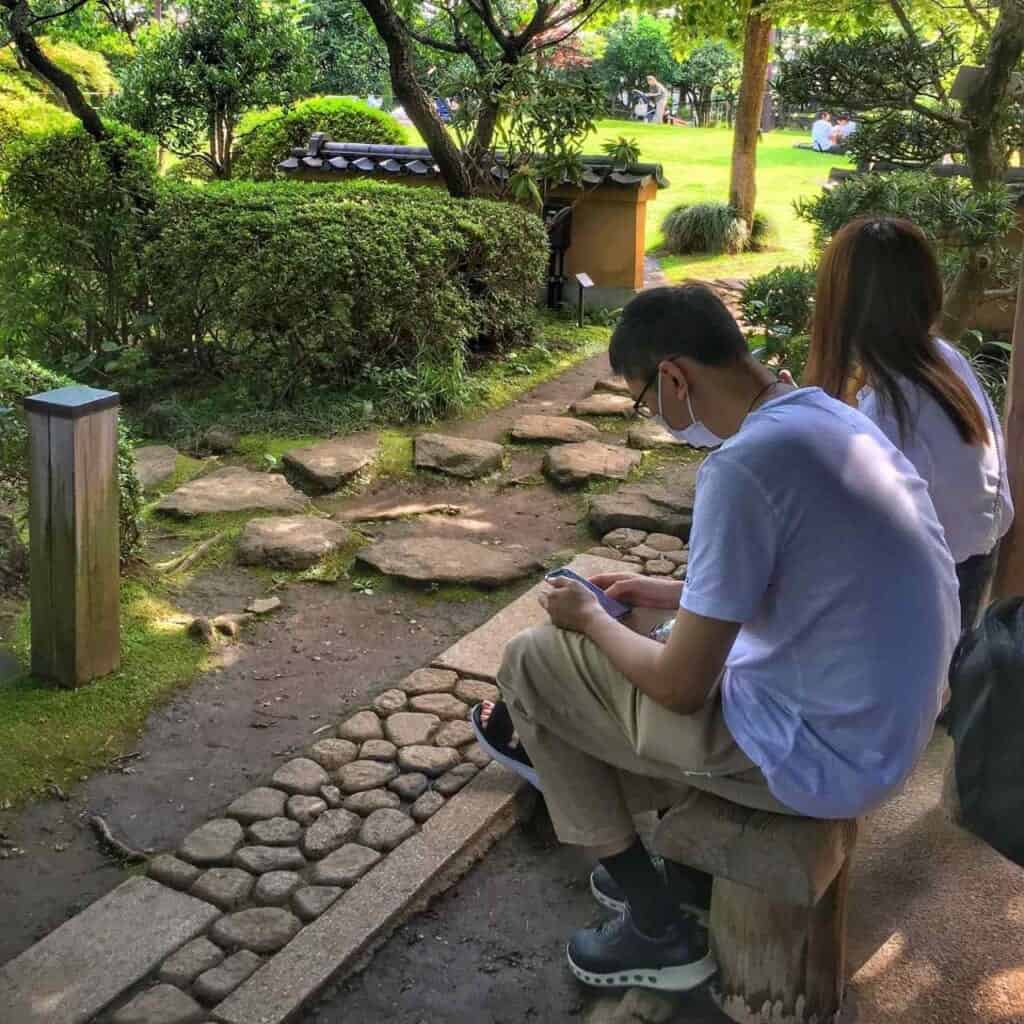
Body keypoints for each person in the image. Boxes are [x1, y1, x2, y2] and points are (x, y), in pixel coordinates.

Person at [473, 284, 960, 990]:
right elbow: (812, 579)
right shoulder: (824, 415)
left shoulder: (742, 466)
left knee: (531, 662)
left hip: (826, 755)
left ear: (675, 377)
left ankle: (654, 924)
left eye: (645, 400)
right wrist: (672, 594)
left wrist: (583, 619)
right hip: (886, 727)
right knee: (634, 619)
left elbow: (680, 685)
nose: (655, 417)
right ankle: (671, 878)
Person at [801, 216, 1012, 632]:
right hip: (970, 568)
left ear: (839, 304)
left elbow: (852, 543)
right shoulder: (942, 358)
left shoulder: (886, 414)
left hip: (926, 597)